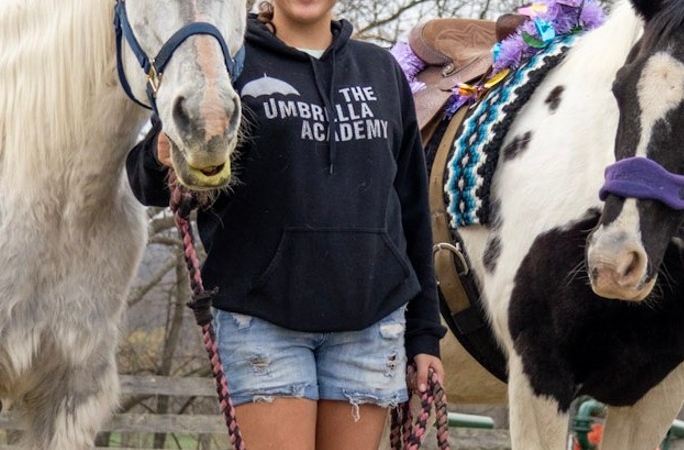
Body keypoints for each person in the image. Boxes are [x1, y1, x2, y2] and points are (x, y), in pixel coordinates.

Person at [125, 0, 446, 448]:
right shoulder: (224, 63)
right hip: (262, 324)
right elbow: (149, 182)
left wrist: (425, 334)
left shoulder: (382, 72)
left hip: (370, 327)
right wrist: (160, 155)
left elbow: (412, 209)